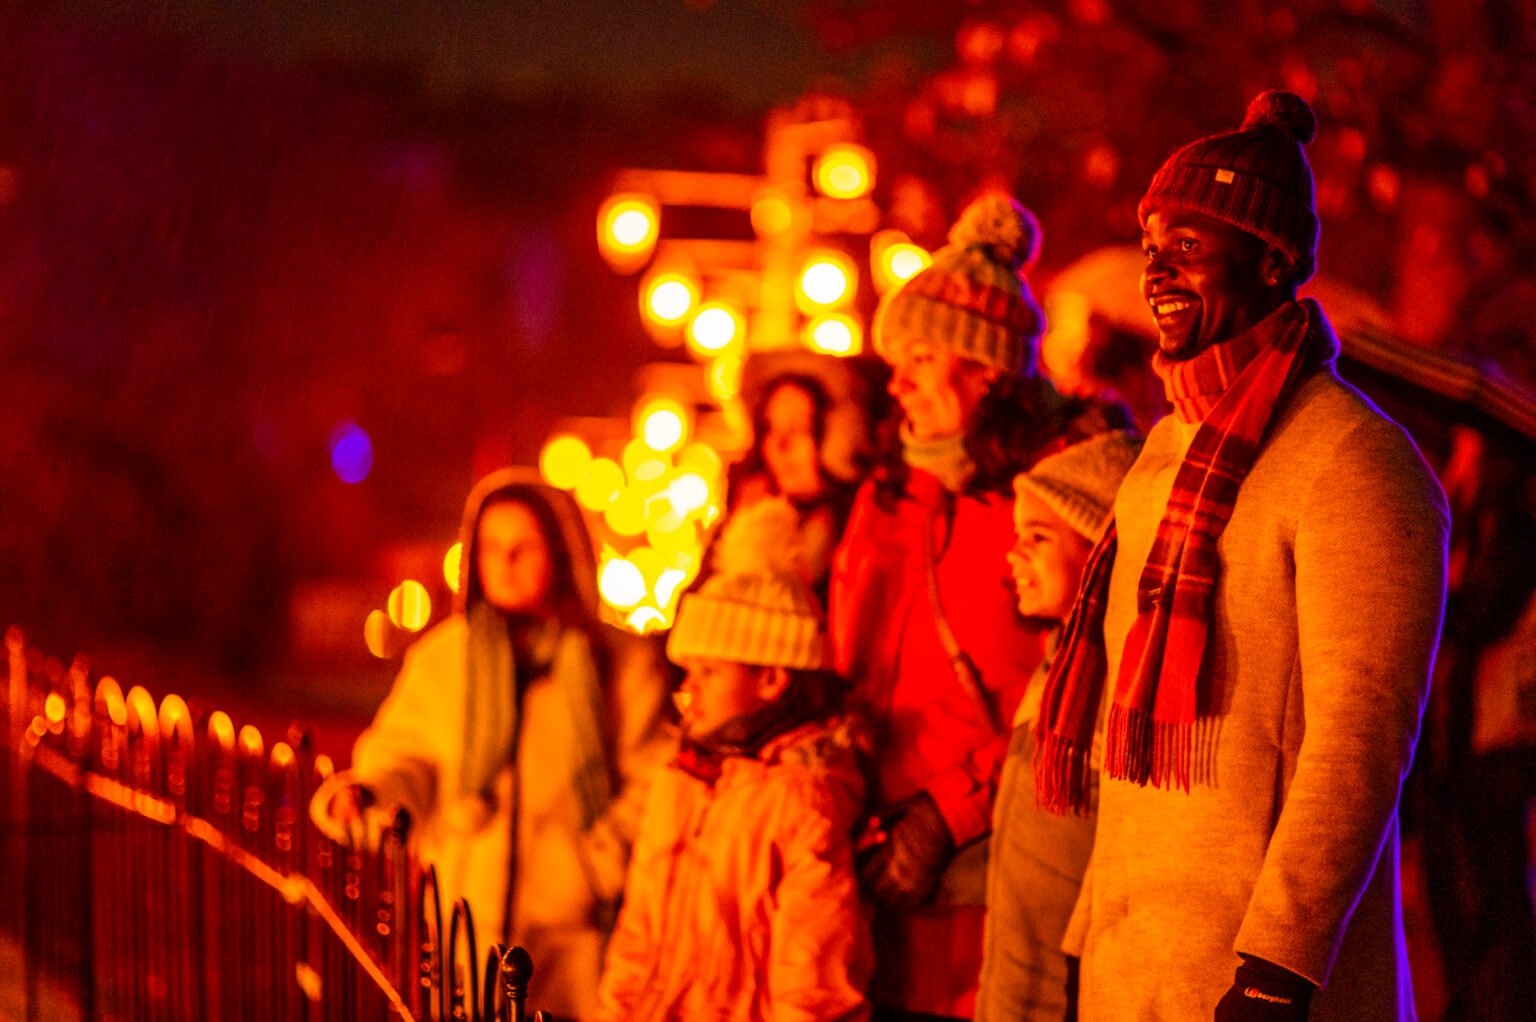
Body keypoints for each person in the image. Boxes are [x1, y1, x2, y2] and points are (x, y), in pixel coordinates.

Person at [1033, 91, 1449, 1020]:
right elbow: (1121, 739)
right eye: (1151, 248)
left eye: (1188, 245)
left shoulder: (1354, 459)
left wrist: (1277, 968)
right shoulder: (1163, 454)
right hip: (1131, 972)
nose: (1158, 272)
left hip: (1256, 983)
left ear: (1274, 262)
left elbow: (1360, 739)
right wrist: (1084, 944)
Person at [830, 193, 1127, 1019]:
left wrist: (945, 814)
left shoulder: (1056, 503)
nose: (898, 380)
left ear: (985, 365)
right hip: (878, 866)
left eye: (919, 357)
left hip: (991, 872)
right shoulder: (891, 491)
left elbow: (1076, 690)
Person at [309, 468, 670, 1018]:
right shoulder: (445, 660)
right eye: (492, 547)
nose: (505, 562)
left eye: (523, 546)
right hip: (466, 925)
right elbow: (408, 755)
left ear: (563, 551)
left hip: (579, 932)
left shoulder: (618, 665)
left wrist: (596, 864)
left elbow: (654, 778)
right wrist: (373, 794)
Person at [595, 497, 873, 1022]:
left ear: (770, 679)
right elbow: (635, 939)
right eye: (687, 671)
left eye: (709, 673)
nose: (688, 690)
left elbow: (812, 983)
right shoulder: (680, 780)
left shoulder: (803, 801)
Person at [975, 431, 1139, 1022]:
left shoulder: (1115, 687)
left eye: (1038, 538)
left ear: (1097, 547)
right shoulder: (1057, 671)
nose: (1013, 557)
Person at [726, 350, 879, 599]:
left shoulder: (866, 538)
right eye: (769, 428)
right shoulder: (740, 519)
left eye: (799, 428)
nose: (780, 444)